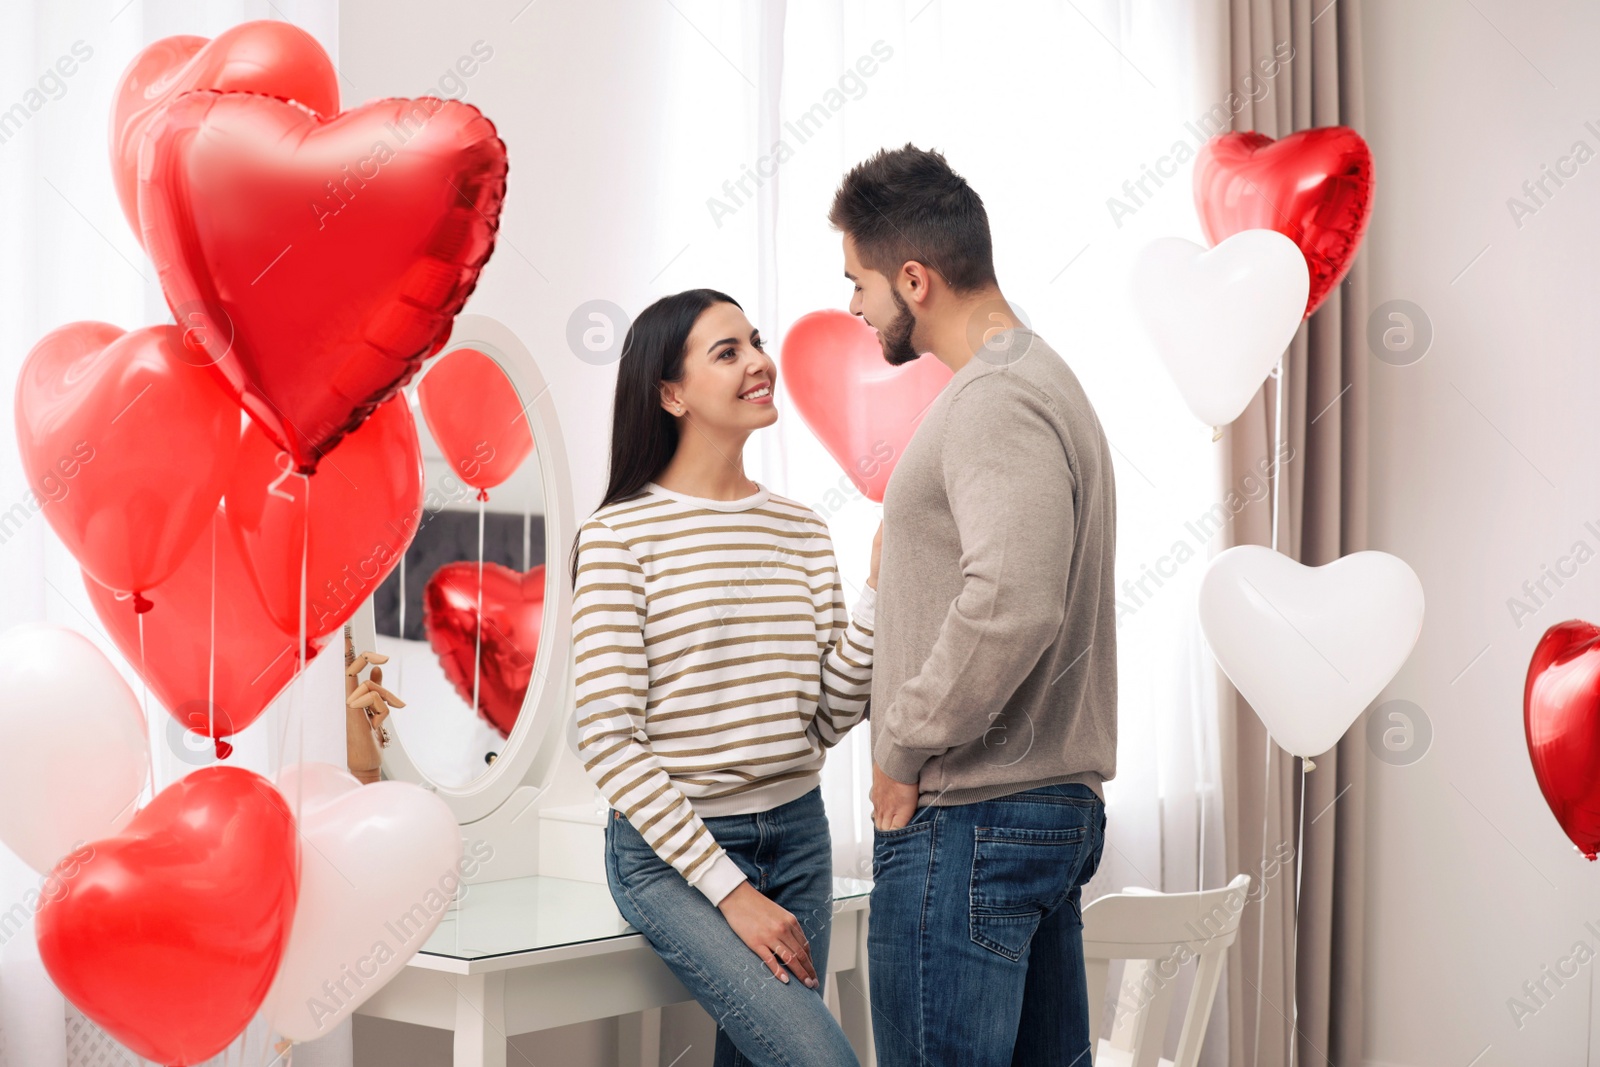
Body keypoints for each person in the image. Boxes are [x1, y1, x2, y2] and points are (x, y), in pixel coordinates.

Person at [830, 144, 1118, 1066]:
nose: (853, 307)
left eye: (860, 283)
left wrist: (902, 743)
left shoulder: (996, 397)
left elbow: (1013, 601)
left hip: (971, 822)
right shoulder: (1040, 381)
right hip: (1025, 817)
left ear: (914, 279)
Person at [569, 288, 880, 1067]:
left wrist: (880, 591)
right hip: (673, 854)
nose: (759, 362)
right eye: (728, 350)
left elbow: (825, 717)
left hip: (798, 832)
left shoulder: (801, 529)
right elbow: (608, 740)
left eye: (756, 341)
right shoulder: (618, 537)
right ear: (670, 393)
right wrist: (730, 891)